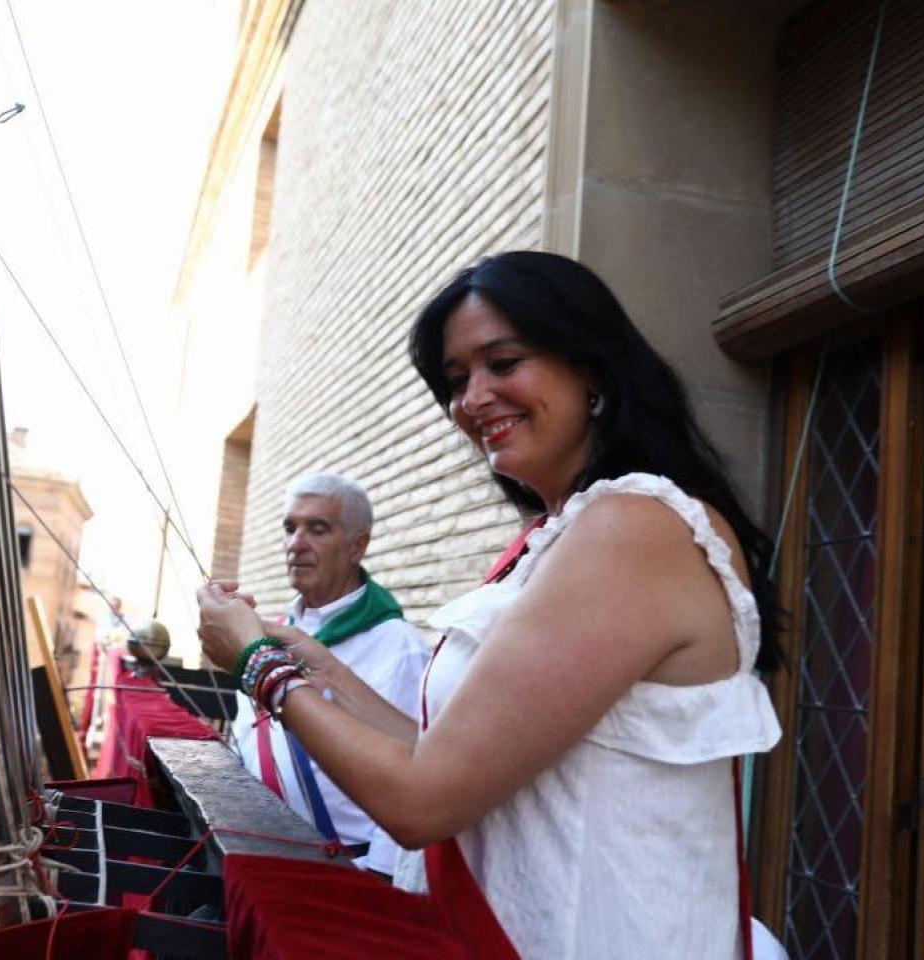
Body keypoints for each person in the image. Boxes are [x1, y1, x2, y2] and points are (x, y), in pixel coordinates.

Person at [197, 251, 784, 959]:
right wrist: (312, 659)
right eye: (456, 379)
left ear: (591, 366)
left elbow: (422, 801)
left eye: (502, 363)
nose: (473, 399)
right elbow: (443, 756)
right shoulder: (562, 534)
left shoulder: (636, 524)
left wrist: (256, 663)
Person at [228, 471, 430, 878]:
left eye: (316, 529)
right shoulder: (271, 631)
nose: (295, 544)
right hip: (250, 850)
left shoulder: (399, 647)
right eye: (290, 528)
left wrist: (379, 877)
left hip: (340, 870)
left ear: (358, 546)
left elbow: (411, 771)